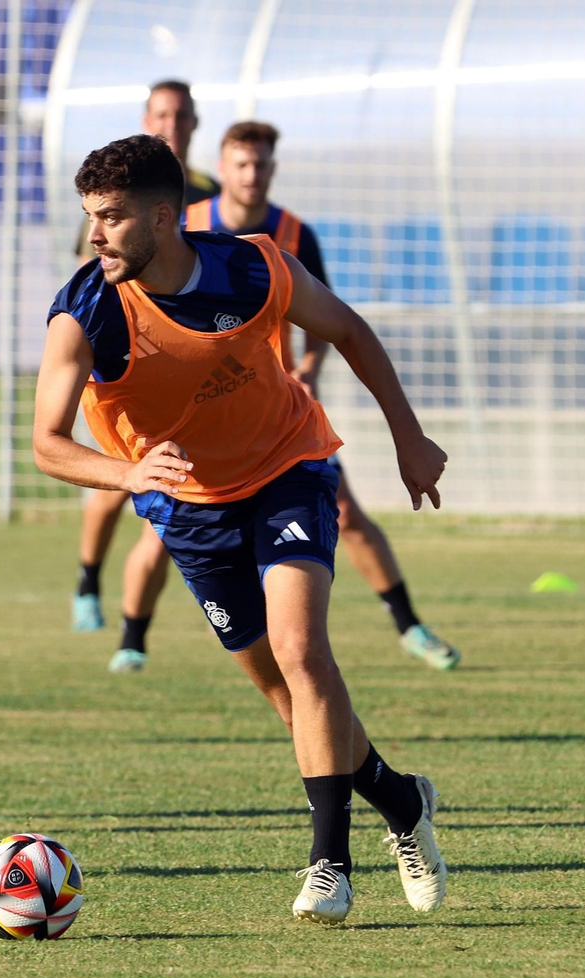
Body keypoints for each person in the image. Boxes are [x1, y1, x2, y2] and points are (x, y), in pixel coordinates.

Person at [34, 134, 447, 924]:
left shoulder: (254, 265)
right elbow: (45, 444)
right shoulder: (85, 309)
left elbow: (351, 330)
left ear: (164, 217)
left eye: (112, 218)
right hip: (190, 509)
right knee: (289, 698)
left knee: (302, 651)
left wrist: (410, 437)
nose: (96, 234)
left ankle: (331, 865)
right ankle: (402, 800)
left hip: (289, 469)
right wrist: (128, 474)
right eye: (90, 217)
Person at [179, 121, 460, 669]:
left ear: (272, 169)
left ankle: (410, 626)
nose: (252, 174)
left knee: (347, 513)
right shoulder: (183, 229)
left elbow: (332, 320)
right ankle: (129, 641)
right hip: (197, 419)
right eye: (241, 163)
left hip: (280, 415)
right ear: (224, 167)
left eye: (260, 164)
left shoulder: (292, 234)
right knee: (163, 527)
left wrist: (307, 365)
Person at [71, 80, 219, 658]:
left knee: (166, 499)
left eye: (180, 115)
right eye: (161, 114)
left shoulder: (206, 192)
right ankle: (88, 580)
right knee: (113, 482)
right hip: (125, 363)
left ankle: (133, 638)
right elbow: (97, 264)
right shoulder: (111, 191)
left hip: (195, 365)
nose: (171, 124)